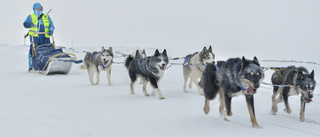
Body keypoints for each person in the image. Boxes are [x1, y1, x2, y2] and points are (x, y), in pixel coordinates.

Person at [23, 3, 55, 71]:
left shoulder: (46, 16)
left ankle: (47, 65)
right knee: (33, 51)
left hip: (45, 36)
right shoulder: (30, 16)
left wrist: (51, 30)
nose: (39, 9)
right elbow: (25, 24)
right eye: (38, 8)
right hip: (35, 36)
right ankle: (31, 67)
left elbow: (51, 25)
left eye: (40, 8)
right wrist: (30, 24)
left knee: (48, 50)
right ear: (34, 9)